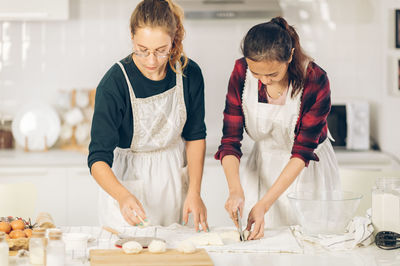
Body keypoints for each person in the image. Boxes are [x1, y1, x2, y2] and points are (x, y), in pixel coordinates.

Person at [215, 17, 341, 240]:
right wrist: (235, 190)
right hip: (262, 166)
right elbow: (230, 140)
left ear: (290, 57)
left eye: (272, 74)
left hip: (306, 172)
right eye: (257, 73)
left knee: (309, 243)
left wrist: (264, 203)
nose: (263, 81)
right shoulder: (241, 71)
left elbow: (302, 152)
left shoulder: (315, 79)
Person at [88, 0, 208, 232]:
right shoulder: (114, 83)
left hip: (174, 183)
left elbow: (195, 136)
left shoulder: (190, 74)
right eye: (142, 50)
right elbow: (97, 158)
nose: (151, 61)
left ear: (174, 41)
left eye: (161, 51)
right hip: (127, 184)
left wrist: (194, 192)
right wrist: (122, 196)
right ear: (131, 37)